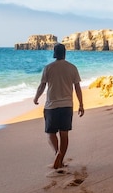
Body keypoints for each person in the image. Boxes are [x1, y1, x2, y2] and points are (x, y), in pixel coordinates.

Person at [33, 43, 84, 171]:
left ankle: (57, 153)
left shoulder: (48, 68)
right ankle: (60, 157)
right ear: (65, 53)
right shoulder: (72, 68)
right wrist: (81, 104)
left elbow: (42, 86)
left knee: (50, 133)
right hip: (67, 106)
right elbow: (77, 87)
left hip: (51, 106)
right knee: (64, 134)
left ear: (54, 54)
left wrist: (36, 97)